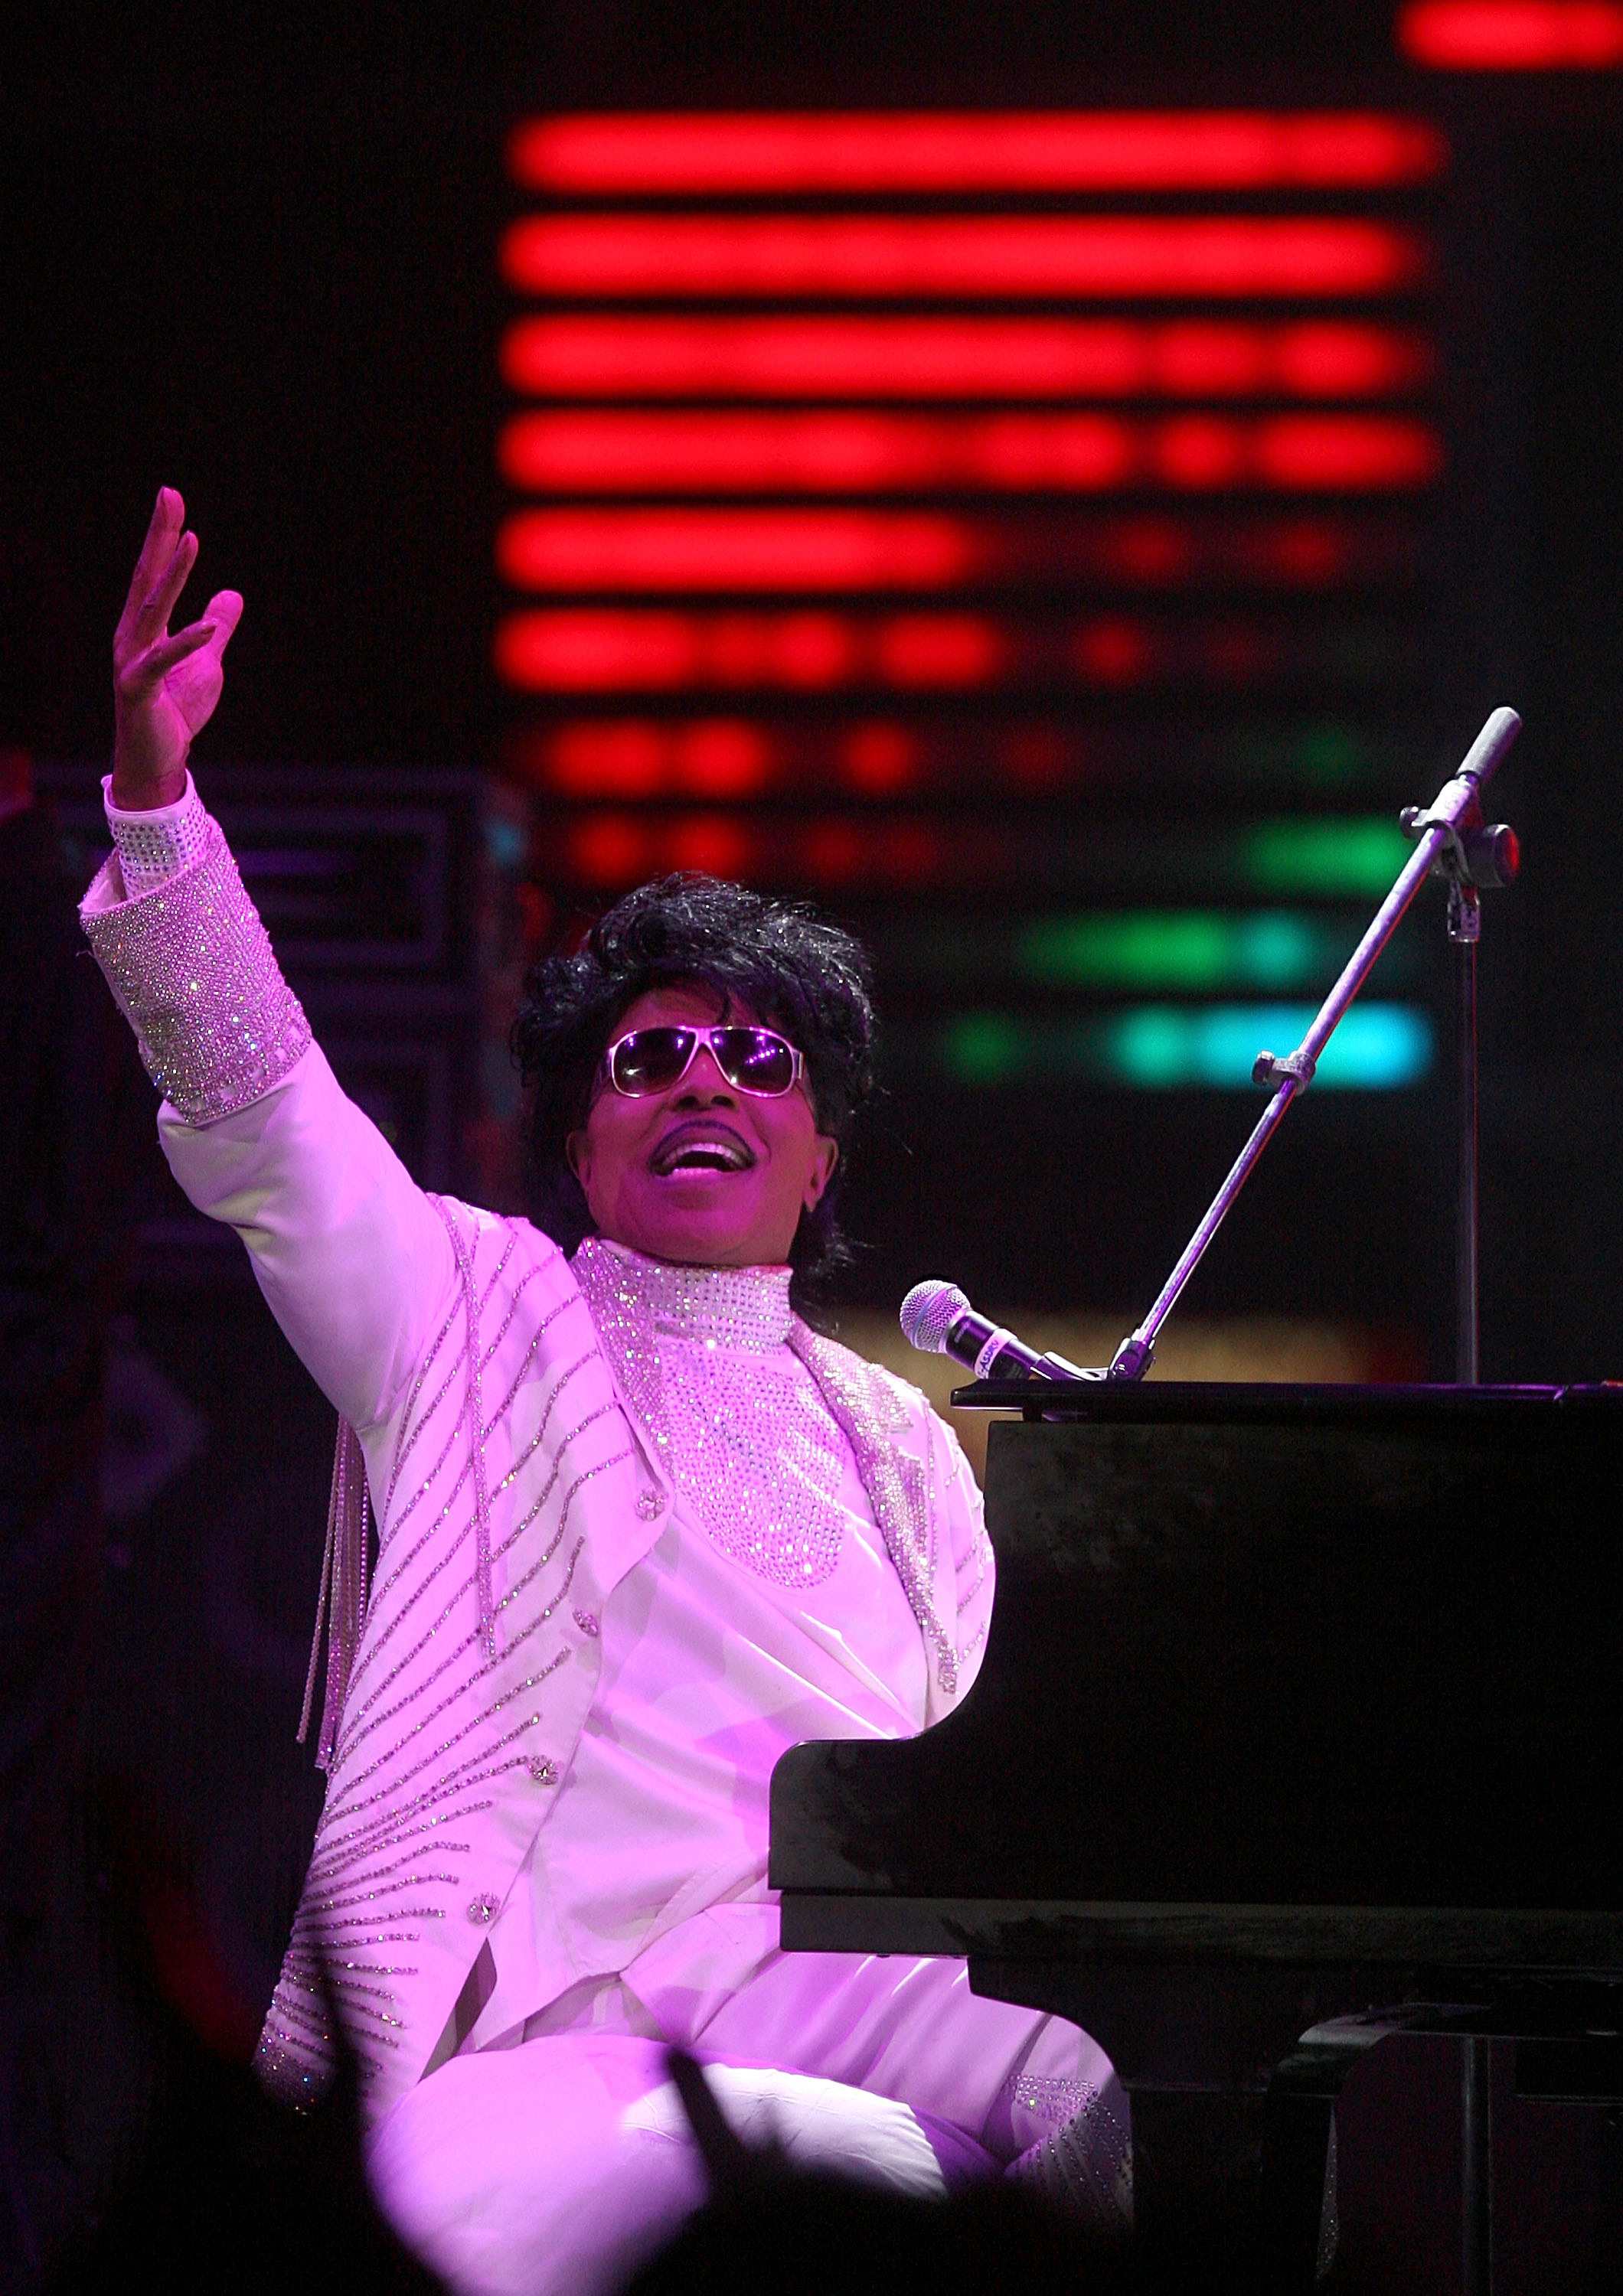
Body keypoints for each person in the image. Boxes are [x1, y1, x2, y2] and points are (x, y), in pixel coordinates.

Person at [81, 489, 1130, 2296]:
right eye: (650, 1055)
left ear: (817, 1162)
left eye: (757, 1057)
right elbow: (267, 1128)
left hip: (835, 1977)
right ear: (581, 1141)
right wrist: (159, 808)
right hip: (553, 2003)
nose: (703, 1079)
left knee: (1122, 2066)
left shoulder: (899, 1448)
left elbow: (977, 1803)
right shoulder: (472, 1313)